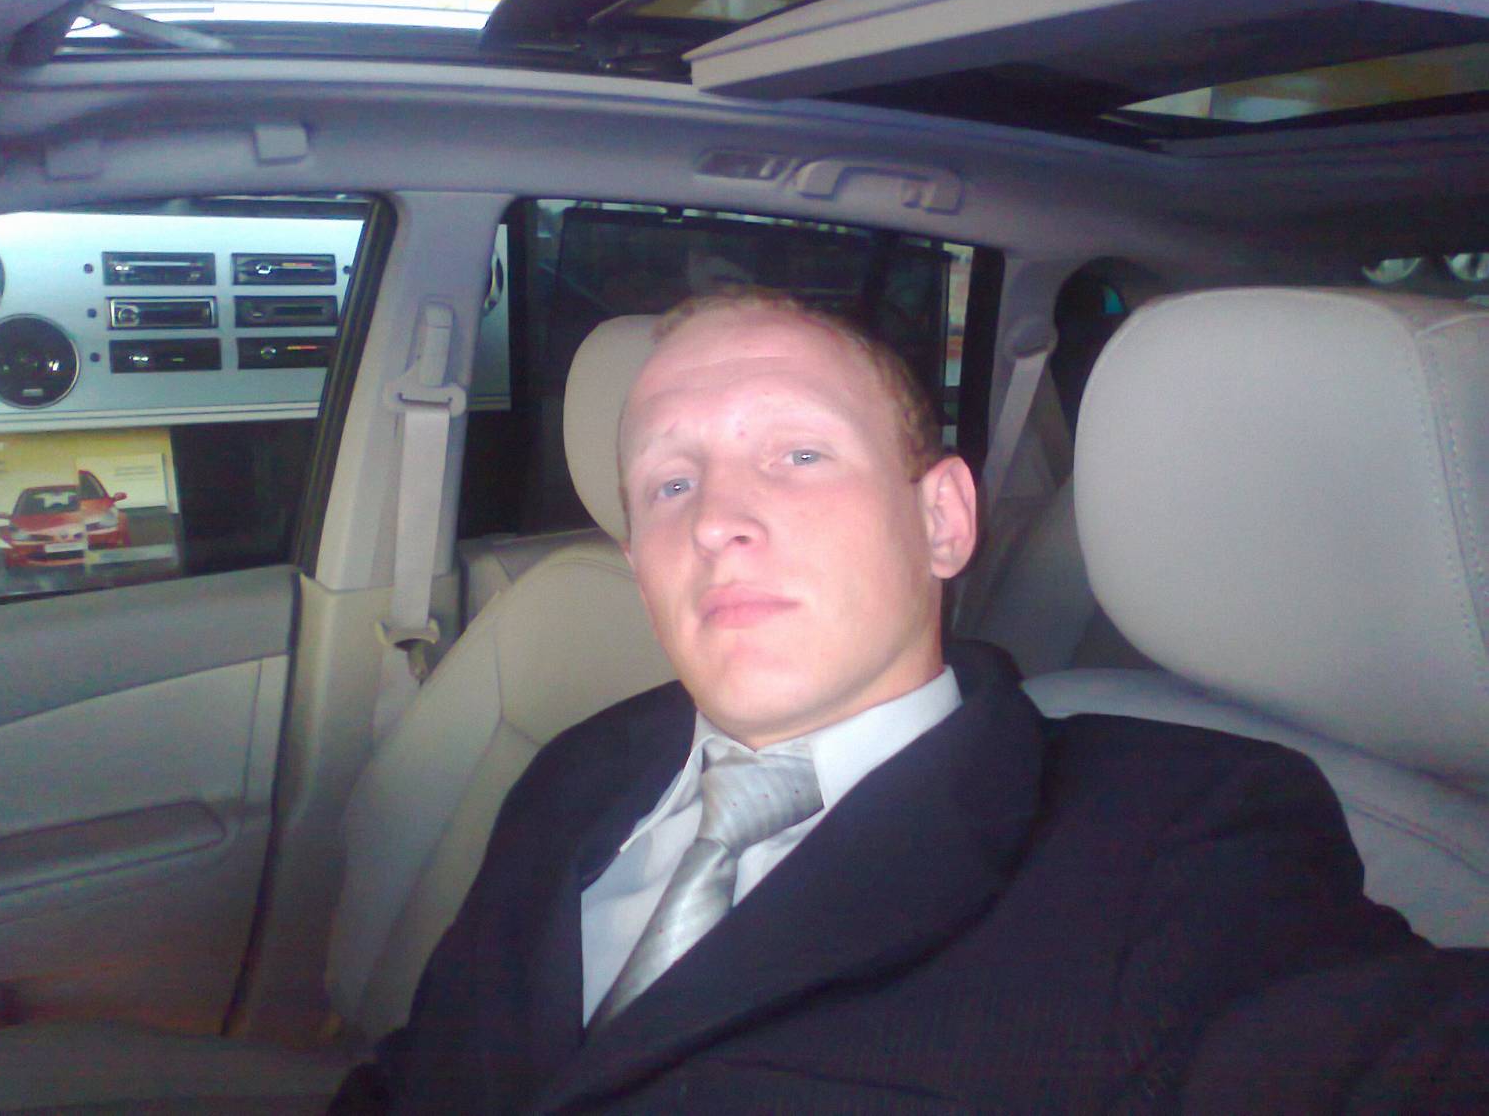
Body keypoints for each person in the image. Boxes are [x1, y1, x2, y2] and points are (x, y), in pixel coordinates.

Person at [331, 290, 1428, 1114]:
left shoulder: (1183, 839)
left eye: (799, 453)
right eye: (671, 483)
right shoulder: (577, 771)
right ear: (638, 560)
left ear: (942, 522)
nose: (715, 521)